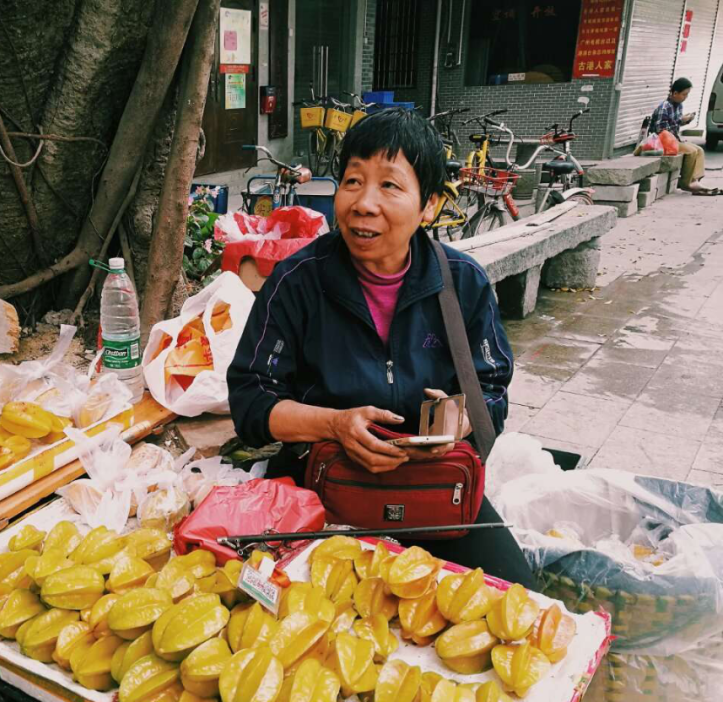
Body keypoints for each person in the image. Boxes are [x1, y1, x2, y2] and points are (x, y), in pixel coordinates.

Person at [226, 108, 532, 587]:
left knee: (517, 593)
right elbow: (249, 401)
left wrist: (458, 421)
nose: (364, 203)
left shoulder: (462, 284)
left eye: (390, 185)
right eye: (352, 181)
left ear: (429, 204)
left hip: (433, 488)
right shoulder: (296, 281)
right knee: (274, 605)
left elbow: (493, 389)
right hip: (322, 483)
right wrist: (334, 424)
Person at [648, 77, 720, 196]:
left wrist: (685, 120)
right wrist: (679, 121)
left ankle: (695, 180)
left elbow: (675, 122)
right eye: (684, 94)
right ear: (674, 93)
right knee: (691, 152)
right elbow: (660, 130)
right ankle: (686, 183)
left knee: (699, 150)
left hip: (673, 140)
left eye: (687, 95)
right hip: (662, 143)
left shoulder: (679, 106)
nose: (685, 97)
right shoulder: (664, 107)